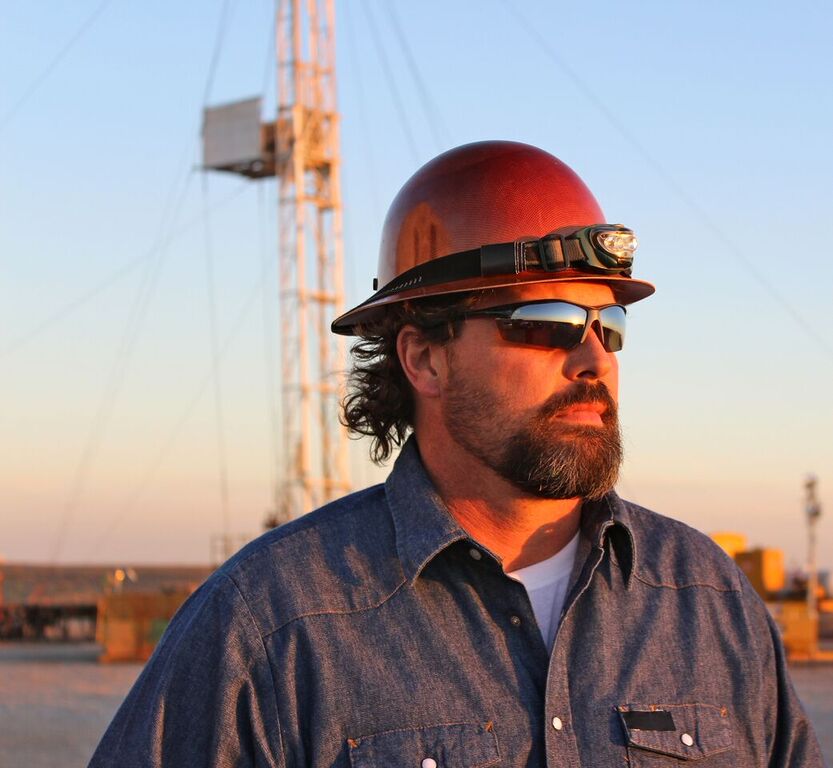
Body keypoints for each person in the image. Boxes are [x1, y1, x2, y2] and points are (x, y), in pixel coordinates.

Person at [89, 141, 822, 767]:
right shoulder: (270, 627)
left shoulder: (708, 603)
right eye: (547, 321)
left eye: (609, 323)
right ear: (424, 359)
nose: (592, 356)